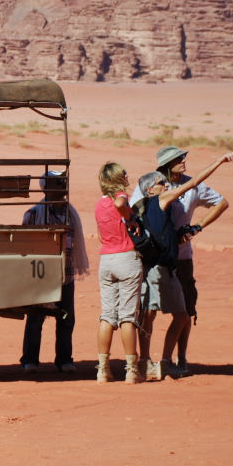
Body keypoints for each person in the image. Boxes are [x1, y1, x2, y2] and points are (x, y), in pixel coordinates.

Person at [133, 149, 233, 380]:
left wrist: (195, 228)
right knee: (149, 312)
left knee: (184, 310)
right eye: (179, 160)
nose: (184, 162)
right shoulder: (159, 193)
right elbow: (132, 214)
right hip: (156, 262)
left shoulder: (166, 190)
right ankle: (146, 361)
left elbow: (221, 202)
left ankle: (175, 359)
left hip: (178, 259)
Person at [19, 171, 89, 373]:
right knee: (36, 318)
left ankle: (64, 359)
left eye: (63, 182)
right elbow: (26, 246)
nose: (63, 187)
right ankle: (29, 359)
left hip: (65, 274)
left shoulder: (71, 213)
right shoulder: (33, 214)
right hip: (40, 274)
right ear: (48, 188)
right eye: (59, 183)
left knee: (66, 318)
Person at [94, 163, 143, 383]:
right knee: (127, 317)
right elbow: (121, 202)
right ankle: (131, 370)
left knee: (107, 316)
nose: (127, 176)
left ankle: (102, 369)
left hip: (106, 260)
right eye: (124, 174)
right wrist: (130, 218)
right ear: (116, 179)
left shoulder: (98, 204)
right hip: (126, 258)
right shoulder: (120, 196)